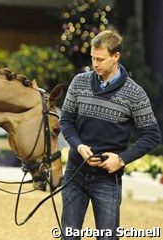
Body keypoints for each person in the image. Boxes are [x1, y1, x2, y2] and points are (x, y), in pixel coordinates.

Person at [60, 30, 161, 240]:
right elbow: (66, 121)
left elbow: (152, 135)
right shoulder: (79, 82)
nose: (95, 64)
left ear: (116, 57)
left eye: (100, 59)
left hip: (107, 179)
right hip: (75, 173)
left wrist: (122, 159)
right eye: (92, 58)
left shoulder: (135, 94)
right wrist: (78, 146)